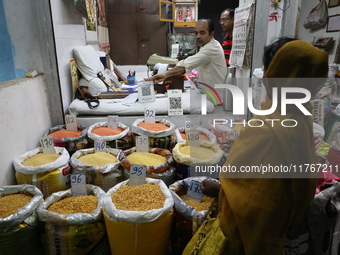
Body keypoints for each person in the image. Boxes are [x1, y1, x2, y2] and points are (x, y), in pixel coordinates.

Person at [201, 37, 328, 254]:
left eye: (268, 68)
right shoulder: (302, 114)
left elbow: (248, 196)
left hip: (257, 234)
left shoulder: (267, 126)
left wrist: (220, 189)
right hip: (289, 224)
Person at [146, 19, 227, 87]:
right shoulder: (207, 45)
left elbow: (185, 65)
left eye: (202, 33)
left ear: (211, 33)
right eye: (196, 33)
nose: (198, 36)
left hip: (215, 95)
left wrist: (165, 74)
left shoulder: (211, 48)